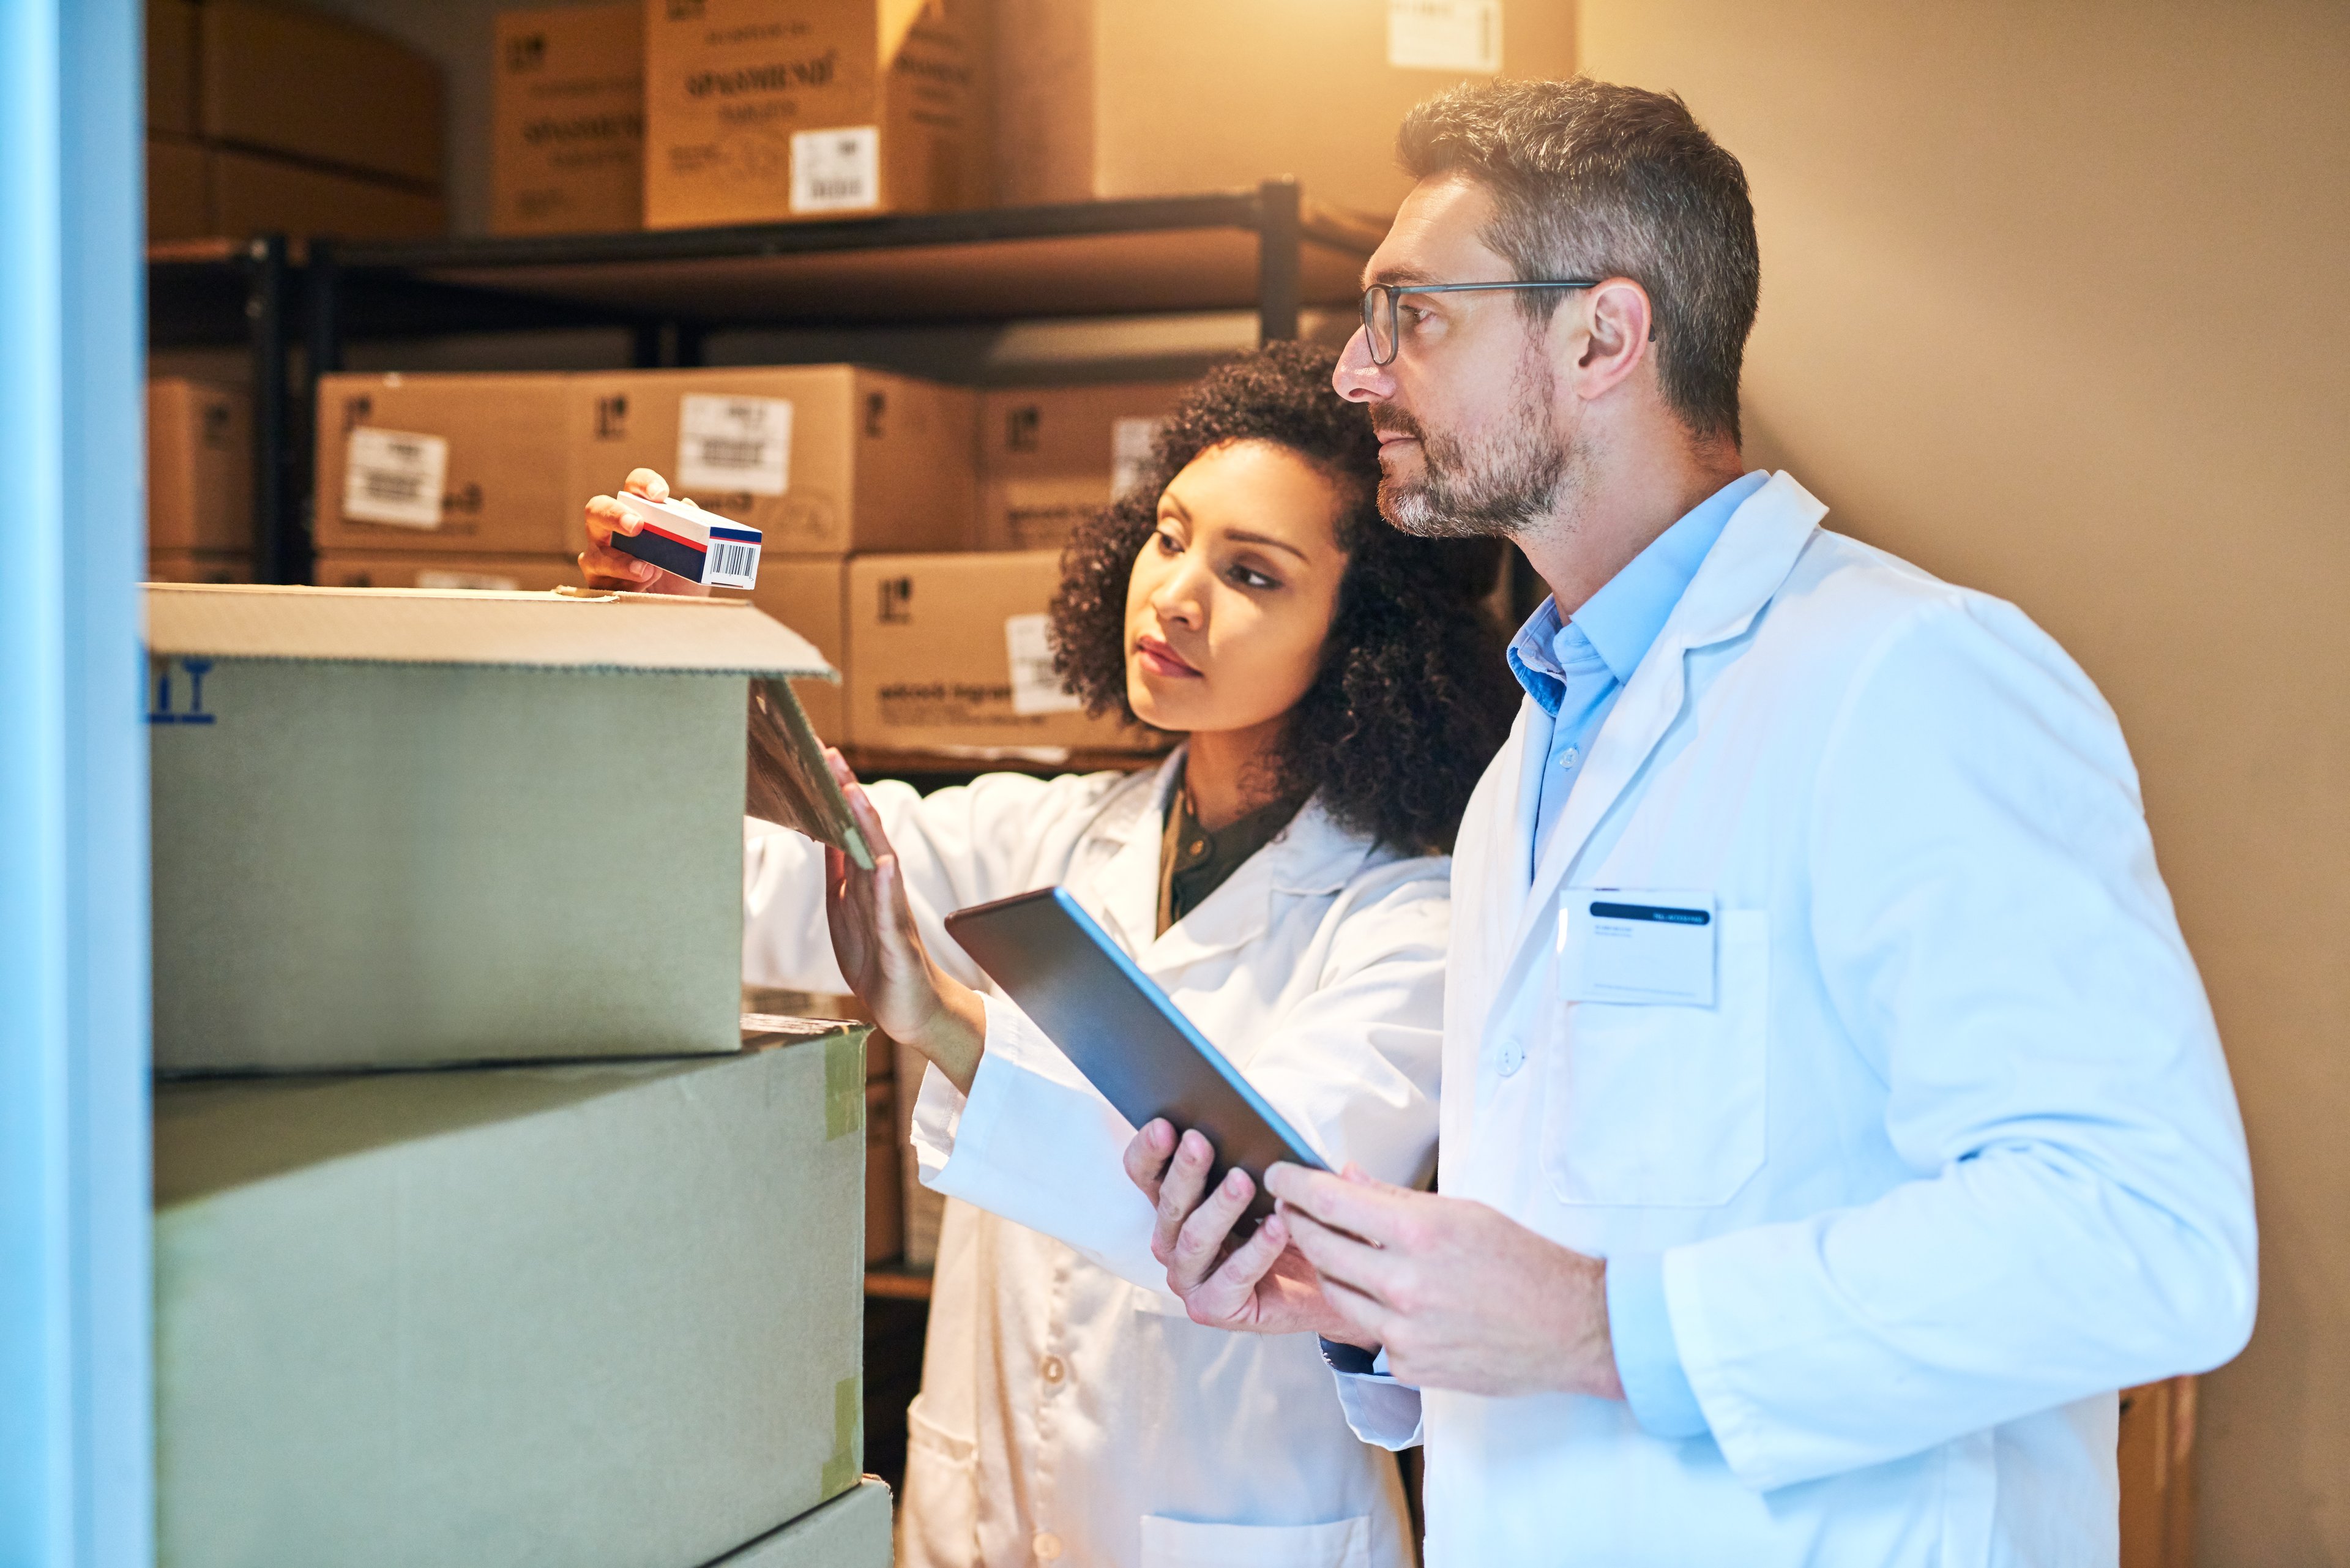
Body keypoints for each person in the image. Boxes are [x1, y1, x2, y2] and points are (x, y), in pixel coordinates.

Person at [1130, 80, 2259, 1566]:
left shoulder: (1910, 675)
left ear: (1603, 337)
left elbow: (2146, 1237)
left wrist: (1597, 1326)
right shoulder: (1533, 756)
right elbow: (1572, 1245)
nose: (1357, 371)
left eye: (1414, 315)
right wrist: (1374, 1307)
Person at [577, 343, 1516, 1568]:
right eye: (1169, 536)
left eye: (1251, 573)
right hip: (982, 1520)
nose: (1175, 594)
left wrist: (947, 1020)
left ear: (1366, 637)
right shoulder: (1055, 835)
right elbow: (772, 879)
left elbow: (1247, 1211)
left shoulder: (1414, 920)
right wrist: (674, 657)